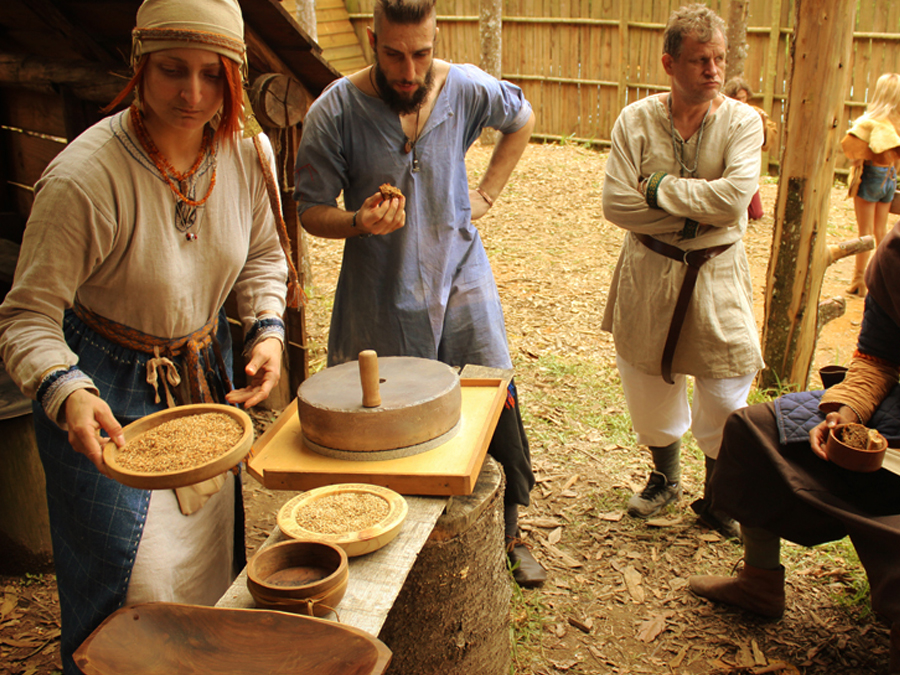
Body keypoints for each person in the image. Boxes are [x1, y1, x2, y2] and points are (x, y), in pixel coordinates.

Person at [0, 0, 295, 671]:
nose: (194, 94)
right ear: (139, 67)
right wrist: (69, 392)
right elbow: (26, 317)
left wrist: (267, 329)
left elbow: (262, 257)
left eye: (212, 74)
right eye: (172, 71)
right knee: (136, 592)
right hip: (105, 397)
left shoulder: (248, 154)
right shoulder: (86, 178)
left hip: (203, 384)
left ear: (233, 76)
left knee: (207, 577)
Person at [293, 0, 544, 586]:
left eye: (422, 54)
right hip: (379, 287)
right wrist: (357, 221)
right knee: (383, 413)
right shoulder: (336, 109)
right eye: (394, 55)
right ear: (372, 40)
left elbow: (522, 116)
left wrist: (486, 194)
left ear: (436, 40)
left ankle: (509, 530)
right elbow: (310, 210)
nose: (408, 71)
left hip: (460, 272)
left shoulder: (464, 89)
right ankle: (389, 533)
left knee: (491, 390)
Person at [689, 221, 900, 674]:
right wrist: (844, 413)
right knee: (754, 429)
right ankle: (759, 583)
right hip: (894, 420)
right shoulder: (896, 256)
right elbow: (876, 361)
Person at [600, 3, 764, 539]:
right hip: (649, 269)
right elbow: (615, 206)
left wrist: (657, 188)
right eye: (700, 60)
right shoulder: (635, 121)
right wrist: (701, 208)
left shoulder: (742, 121)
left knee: (725, 384)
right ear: (670, 63)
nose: (714, 71)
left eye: (719, 59)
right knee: (648, 378)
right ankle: (665, 479)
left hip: (717, 271)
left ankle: (719, 498)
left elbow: (737, 198)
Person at [841, 72, 900, 297]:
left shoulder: (868, 122)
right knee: (881, 231)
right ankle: (882, 279)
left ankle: (859, 281)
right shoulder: (896, 123)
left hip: (871, 178)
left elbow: (854, 156)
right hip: (889, 179)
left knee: (864, 232)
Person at [722, 75, 777, 221]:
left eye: (743, 98)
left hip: (745, 166)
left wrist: (762, 125)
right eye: (736, 99)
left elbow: (767, 143)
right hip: (723, 165)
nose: (740, 102)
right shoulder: (721, 112)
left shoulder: (754, 113)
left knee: (755, 214)